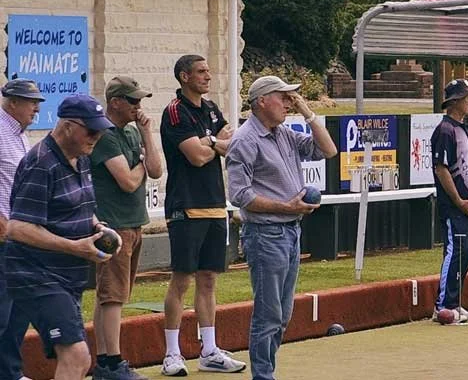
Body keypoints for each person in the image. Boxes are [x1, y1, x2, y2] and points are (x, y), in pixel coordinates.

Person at [226, 76, 337, 380]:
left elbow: (328, 150)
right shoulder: (245, 139)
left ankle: (267, 371)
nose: (289, 103)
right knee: (269, 313)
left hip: (290, 232)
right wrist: (286, 207)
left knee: (283, 314)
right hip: (265, 234)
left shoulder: (284, 134)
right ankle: (263, 375)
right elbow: (240, 195)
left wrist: (308, 113)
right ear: (262, 101)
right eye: (283, 97)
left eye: (292, 98)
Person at [1, 96, 117, 380]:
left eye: (101, 131)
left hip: (67, 276)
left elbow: (80, 207)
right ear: (67, 126)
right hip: (36, 273)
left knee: (78, 357)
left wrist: (99, 228)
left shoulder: (81, 158)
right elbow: (18, 227)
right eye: (91, 131)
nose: (97, 137)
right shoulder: (40, 164)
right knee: (76, 355)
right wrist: (76, 247)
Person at [159, 54, 245, 375]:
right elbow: (195, 157)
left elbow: (233, 143)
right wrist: (213, 142)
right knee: (182, 279)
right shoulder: (175, 112)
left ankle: (209, 351)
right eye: (201, 72)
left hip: (215, 204)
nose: (208, 76)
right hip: (185, 206)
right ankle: (172, 355)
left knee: (209, 279)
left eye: (208, 71)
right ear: (184, 76)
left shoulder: (210, 108)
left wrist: (211, 142)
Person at [91, 77, 166, 380]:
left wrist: (147, 134)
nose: (139, 107)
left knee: (109, 295)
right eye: (133, 101)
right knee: (113, 296)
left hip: (134, 222)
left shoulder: (134, 133)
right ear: (115, 102)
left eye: (140, 101)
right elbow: (129, 181)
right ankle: (111, 362)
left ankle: (103, 361)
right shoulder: (105, 136)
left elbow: (157, 170)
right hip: (114, 226)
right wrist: (143, 164)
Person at [0, 79, 45, 380]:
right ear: (12, 102)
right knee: (2, 314)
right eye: (31, 102)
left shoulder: (18, 135)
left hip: (19, 237)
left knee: (18, 314)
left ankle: (10, 373)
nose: (37, 108)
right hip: (3, 235)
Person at [431, 79, 468, 324]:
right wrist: (459, 200)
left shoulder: (462, 128)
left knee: (466, 252)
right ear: (454, 102)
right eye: (467, 97)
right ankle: (443, 306)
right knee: (455, 252)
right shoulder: (445, 130)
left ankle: (456, 303)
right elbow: (441, 169)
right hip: (455, 206)